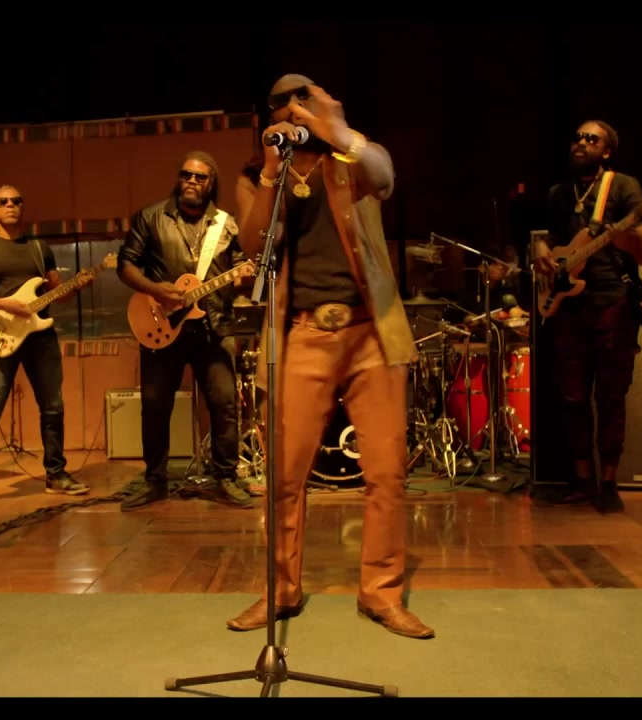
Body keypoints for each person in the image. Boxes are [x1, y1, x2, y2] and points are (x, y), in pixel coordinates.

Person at [228, 74, 434, 639]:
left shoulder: (350, 156)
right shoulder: (258, 175)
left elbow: (384, 176)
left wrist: (337, 129)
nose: (294, 113)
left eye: (304, 102)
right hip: (301, 334)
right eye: (283, 107)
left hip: (372, 333)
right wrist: (270, 174)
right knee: (284, 475)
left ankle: (381, 594)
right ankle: (281, 590)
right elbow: (255, 246)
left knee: (387, 473)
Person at [116, 151, 255, 511]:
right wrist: (155, 290)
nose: (191, 181)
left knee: (224, 405)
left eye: (199, 177)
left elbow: (241, 269)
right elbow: (125, 265)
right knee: (155, 406)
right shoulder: (151, 217)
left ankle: (226, 477)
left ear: (212, 184)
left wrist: (245, 275)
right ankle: (155, 480)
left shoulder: (226, 225)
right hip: (162, 326)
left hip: (214, 327)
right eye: (186, 175)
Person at [532, 120, 642, 513]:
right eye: (577, 137)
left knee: (611, 396)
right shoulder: (559, 192)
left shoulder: (623, 187)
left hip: (612, 302)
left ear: (607, 151)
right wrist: (541, 247)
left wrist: (626, 235)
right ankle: (582, 480)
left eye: (591, 139)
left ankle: (609, 483)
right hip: (569, 305)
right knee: (572, 397)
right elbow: (555, 238)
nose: (581, 143)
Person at [0, 185, 94, 509]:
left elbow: (56, 291)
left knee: (53, 406)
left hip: (40, 337)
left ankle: (56, 474)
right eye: (3, 201)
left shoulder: (39, 248)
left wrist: (77, 285)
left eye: (16, 201)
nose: (10, 205)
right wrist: (5, 305)